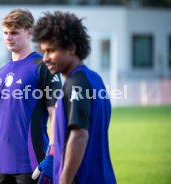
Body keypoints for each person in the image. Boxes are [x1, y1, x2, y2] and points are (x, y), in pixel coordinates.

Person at [0, 9, 61, 184]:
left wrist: (53, 153)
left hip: (31, 163)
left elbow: (56, 114)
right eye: (5, 33)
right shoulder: (2, 72)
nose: (9, 37)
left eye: (14, 33)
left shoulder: (44, 66)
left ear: (30, 31)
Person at [33, 11, 116, 184]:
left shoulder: (76, 83)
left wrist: (64, 180)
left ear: (71, 48)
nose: (45, 58)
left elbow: (79, 136)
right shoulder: (94, 78)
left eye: (51, 51)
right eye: (43, 52)